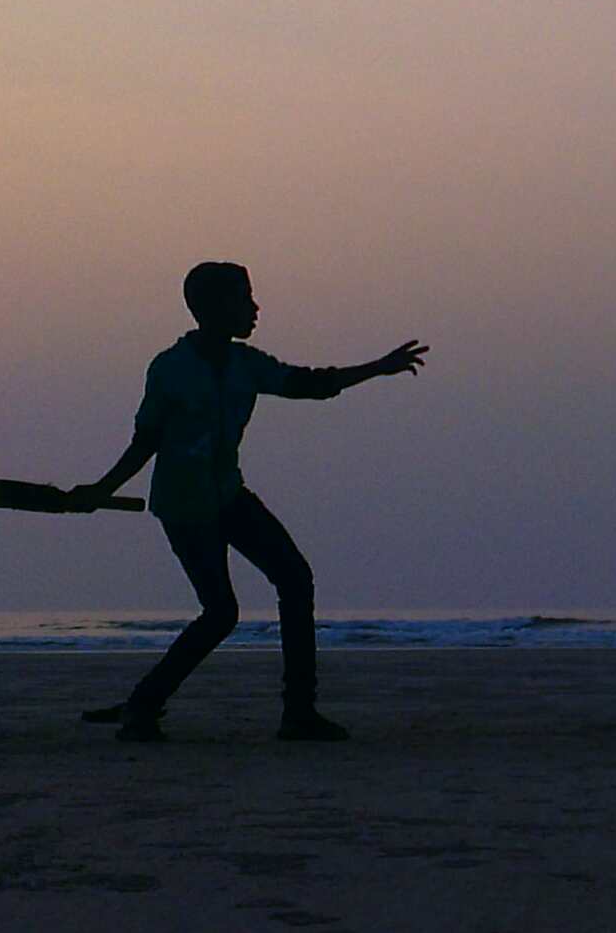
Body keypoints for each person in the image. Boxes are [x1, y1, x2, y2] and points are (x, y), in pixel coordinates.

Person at [68, 261, 428, 743]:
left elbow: (309, 384)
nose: (255, 309)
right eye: (244, 299)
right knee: (221, 612)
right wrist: (100, 491)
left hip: (229, 495)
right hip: (185, 505)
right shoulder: (170, 369)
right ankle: (142, 706)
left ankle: (298, 713)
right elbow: (145, 441)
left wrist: (376, 369)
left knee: (295, 579)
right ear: (212, 308)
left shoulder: (246, 364)